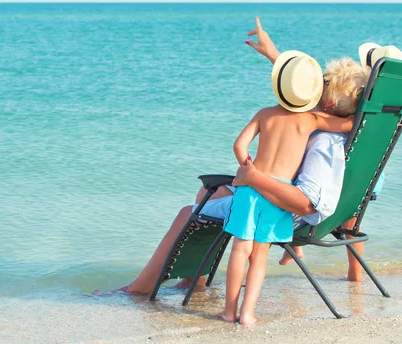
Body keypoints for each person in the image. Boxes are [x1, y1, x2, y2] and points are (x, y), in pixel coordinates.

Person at [121, 17, 370, 295]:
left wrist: (254, 177)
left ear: (327, 102)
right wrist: (274, 56)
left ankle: (139, 289)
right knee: (209, 191)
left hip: (282, 212)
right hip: (288, 203)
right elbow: (298, 92)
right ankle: (195, 280)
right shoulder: (333, 124)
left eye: (322, 84)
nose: (315, 87)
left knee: (187, 213)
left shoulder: (324, 140)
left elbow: (307, 204)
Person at [221, 51, 355, 325]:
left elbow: (238, 145)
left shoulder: (264, 114)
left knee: (239, 250)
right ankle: (247, 314)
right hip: (279, 195)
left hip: (250, 188)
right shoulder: (311, 120)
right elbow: (349, 124)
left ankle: (228, 311)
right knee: (260, 255)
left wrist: (249, 169)